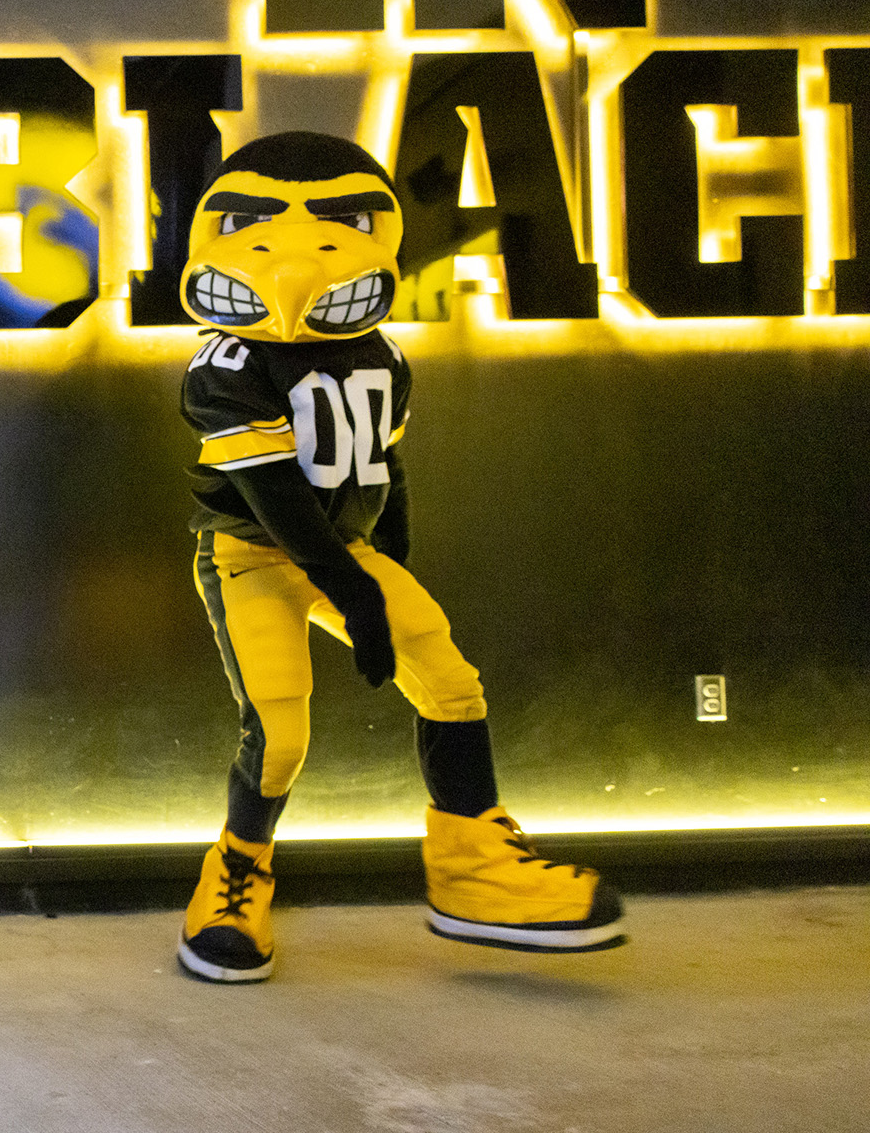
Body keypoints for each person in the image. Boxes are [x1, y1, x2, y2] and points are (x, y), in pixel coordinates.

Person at [170, 132, 625, 983]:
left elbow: (386, 459)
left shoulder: (380, 354)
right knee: (279, 734)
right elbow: (275, 498)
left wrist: (389, 564)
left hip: (341, 549)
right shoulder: (226, 364)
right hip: (252, 558)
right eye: (261, 219)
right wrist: (362, 593)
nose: (299, 248)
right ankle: (236, 874)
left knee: (450, 681)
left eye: (336, 216)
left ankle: (473, 868)